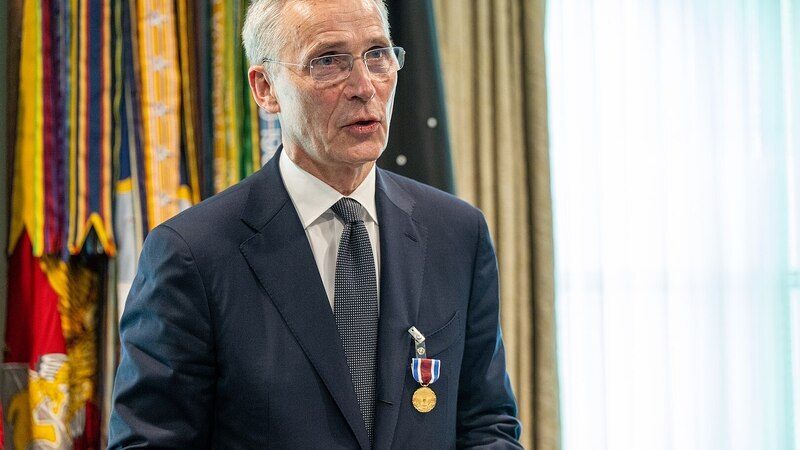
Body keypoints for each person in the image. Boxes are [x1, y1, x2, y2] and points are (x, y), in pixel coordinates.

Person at [107, 0, 522, 448]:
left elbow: (487, 425)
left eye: (378, 55)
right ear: (266, 88)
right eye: (328, 61)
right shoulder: (191, 253)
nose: (364, 86)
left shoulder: (457, 233)